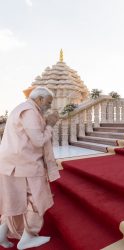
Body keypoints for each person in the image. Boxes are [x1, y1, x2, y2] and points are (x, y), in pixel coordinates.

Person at [0, 87, 60, 249]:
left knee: (14, 199)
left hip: (11, 163)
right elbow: (38, 141)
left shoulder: (20, 109)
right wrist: (50, 125)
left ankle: (1, 234)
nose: (49, 106)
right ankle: (28, 237)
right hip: (26, 164)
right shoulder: (30, 112)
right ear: (39, 99)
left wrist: (45, 122)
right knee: (36, 199)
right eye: (48, 102)